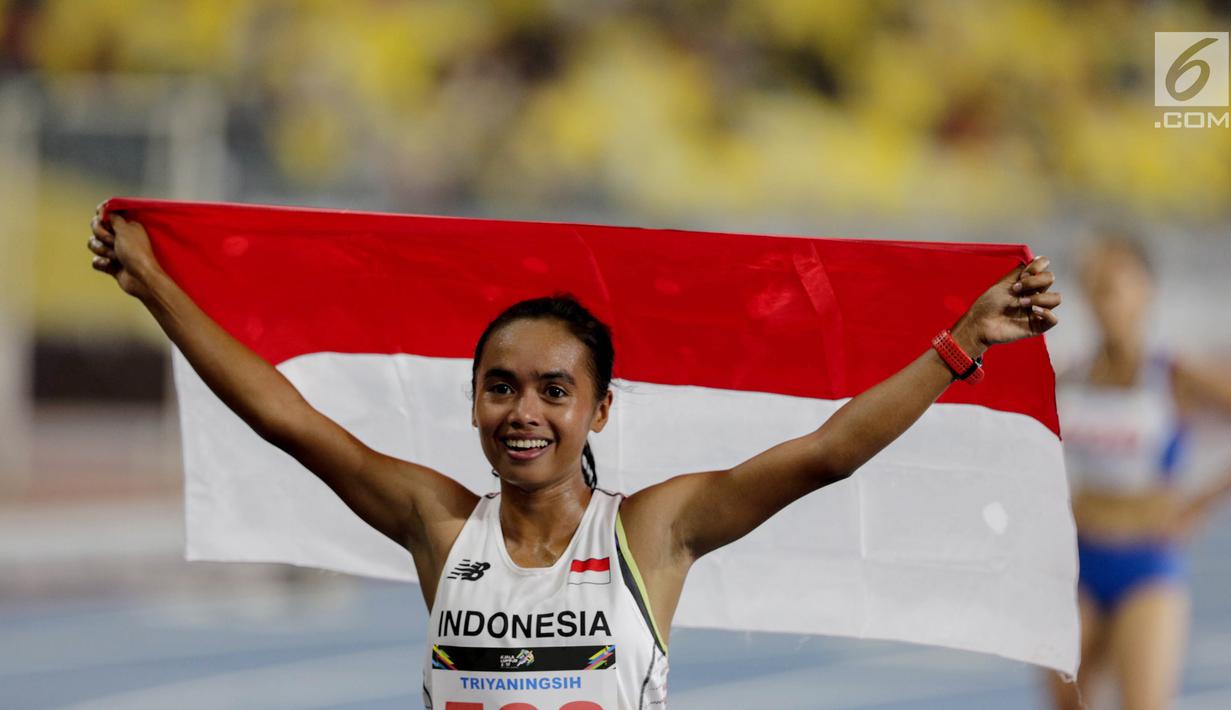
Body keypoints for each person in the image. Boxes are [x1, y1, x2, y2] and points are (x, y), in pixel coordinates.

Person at [89, 203, 1061, 710]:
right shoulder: (438, 520)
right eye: (501, 384)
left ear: (599, 409)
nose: (524, 410)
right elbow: (287, 419)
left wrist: (960, 341)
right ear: (472, 398)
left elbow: (825, 452)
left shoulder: (653, 528)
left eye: (555, 390)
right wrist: (155, 289)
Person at [1046, 228, 1231, 710]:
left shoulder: (1173, 374)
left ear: (1146, 289)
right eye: (1094, 286)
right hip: (1079, 562)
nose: (1103, 299)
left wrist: (1198, 505)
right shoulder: (1072, 374)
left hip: (1146, 567)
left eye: (1114, 285)